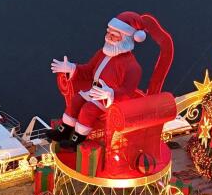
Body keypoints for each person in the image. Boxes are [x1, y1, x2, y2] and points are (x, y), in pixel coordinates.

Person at [49, 13, 148, 148]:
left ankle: (76, 139)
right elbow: (89, 70)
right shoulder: (102, 53)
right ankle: (64, 130)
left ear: (125, 39)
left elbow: (128, 92)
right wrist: (71, 68)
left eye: (114, 35)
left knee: (87, 110)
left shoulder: (132, 67)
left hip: (108, 100)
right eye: (108, 33)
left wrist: (110, 94)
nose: (108, 37)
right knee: (76, 100)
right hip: (94, 91)